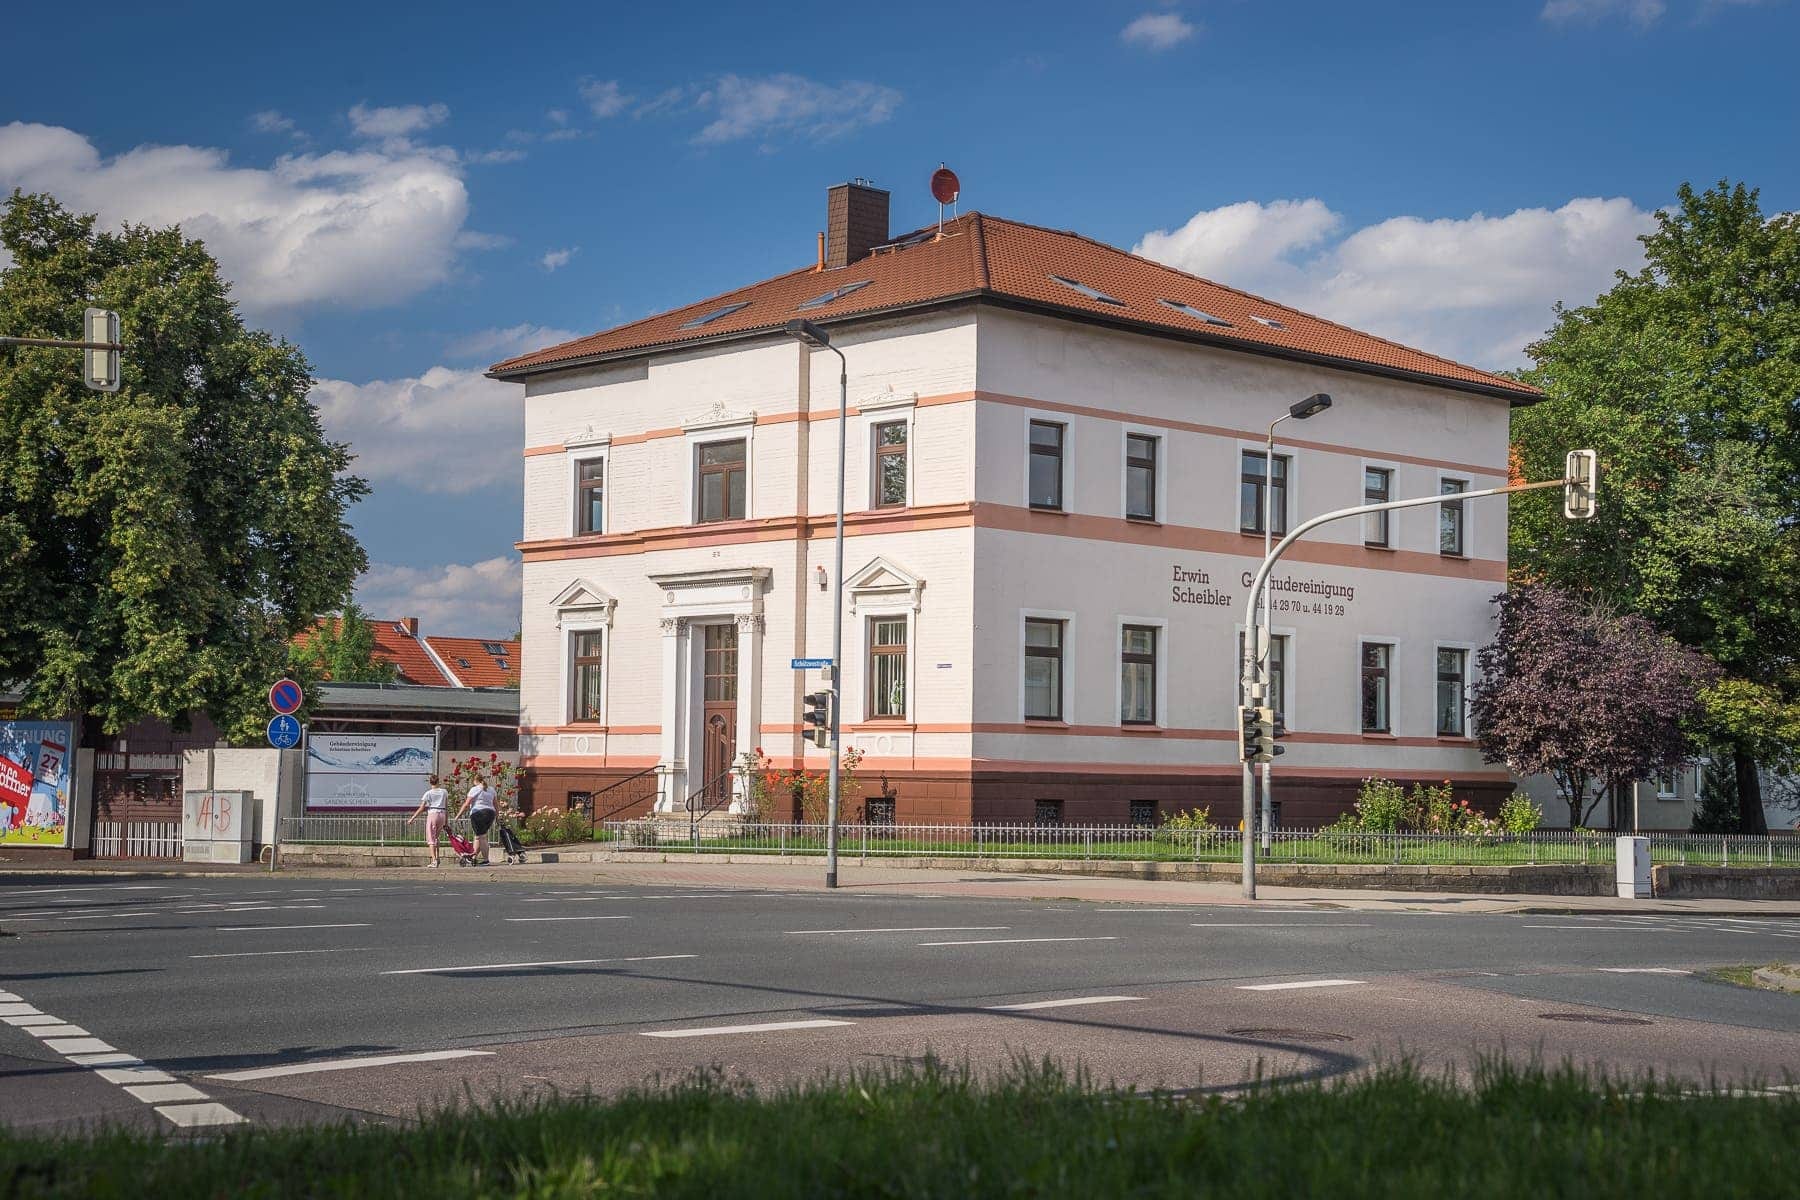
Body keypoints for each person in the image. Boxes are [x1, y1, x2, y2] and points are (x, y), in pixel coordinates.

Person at [407, 775, 451, 867]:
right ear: (438, 781)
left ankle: (434, 860)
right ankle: (438, 858)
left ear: (430, 783)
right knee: (436, 837)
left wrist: (412, 818)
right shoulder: (444, 792)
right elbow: (446, 807)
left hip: (432, 814)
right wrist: (446, 822)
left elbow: (422, 808)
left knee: (431, 838)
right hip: (442, 814)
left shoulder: (428, 793)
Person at [458, 775, 498, 866]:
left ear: (475, 781)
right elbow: (496, 804)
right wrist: (498, 815)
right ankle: (473, 857)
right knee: (478, 836)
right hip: (490, 813)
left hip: (478, 813)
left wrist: (458, 815)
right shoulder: (491, 789)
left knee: (482, 837)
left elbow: (466, 804)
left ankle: (486, 860)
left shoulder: (475, 789)